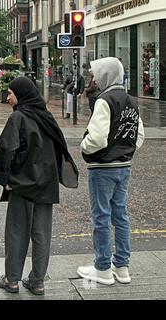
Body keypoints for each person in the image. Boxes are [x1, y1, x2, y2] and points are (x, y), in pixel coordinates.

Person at [0, 77, 78, 296]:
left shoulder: (19, 118)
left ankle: (12, 280)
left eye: (11, 93)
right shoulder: (46, 116)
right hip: (46, 185)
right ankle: (37, 281)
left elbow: (5, 151)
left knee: (16, 233)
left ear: (22, 95)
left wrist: (6, 179)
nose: (8, 97)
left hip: (23, 185)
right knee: (41, 234)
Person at [77, 57, 145, 285]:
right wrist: (124, 149)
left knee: (101, 217)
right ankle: (122, 267)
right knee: (121, 216)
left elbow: (96, 138)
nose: (93, 78)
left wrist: (83, 145)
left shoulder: (104, 100)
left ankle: (103, 268)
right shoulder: (131, 101)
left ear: (105, 75)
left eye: (96, 74)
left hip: (103, 168)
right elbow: (139, 135)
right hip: (124, 166)